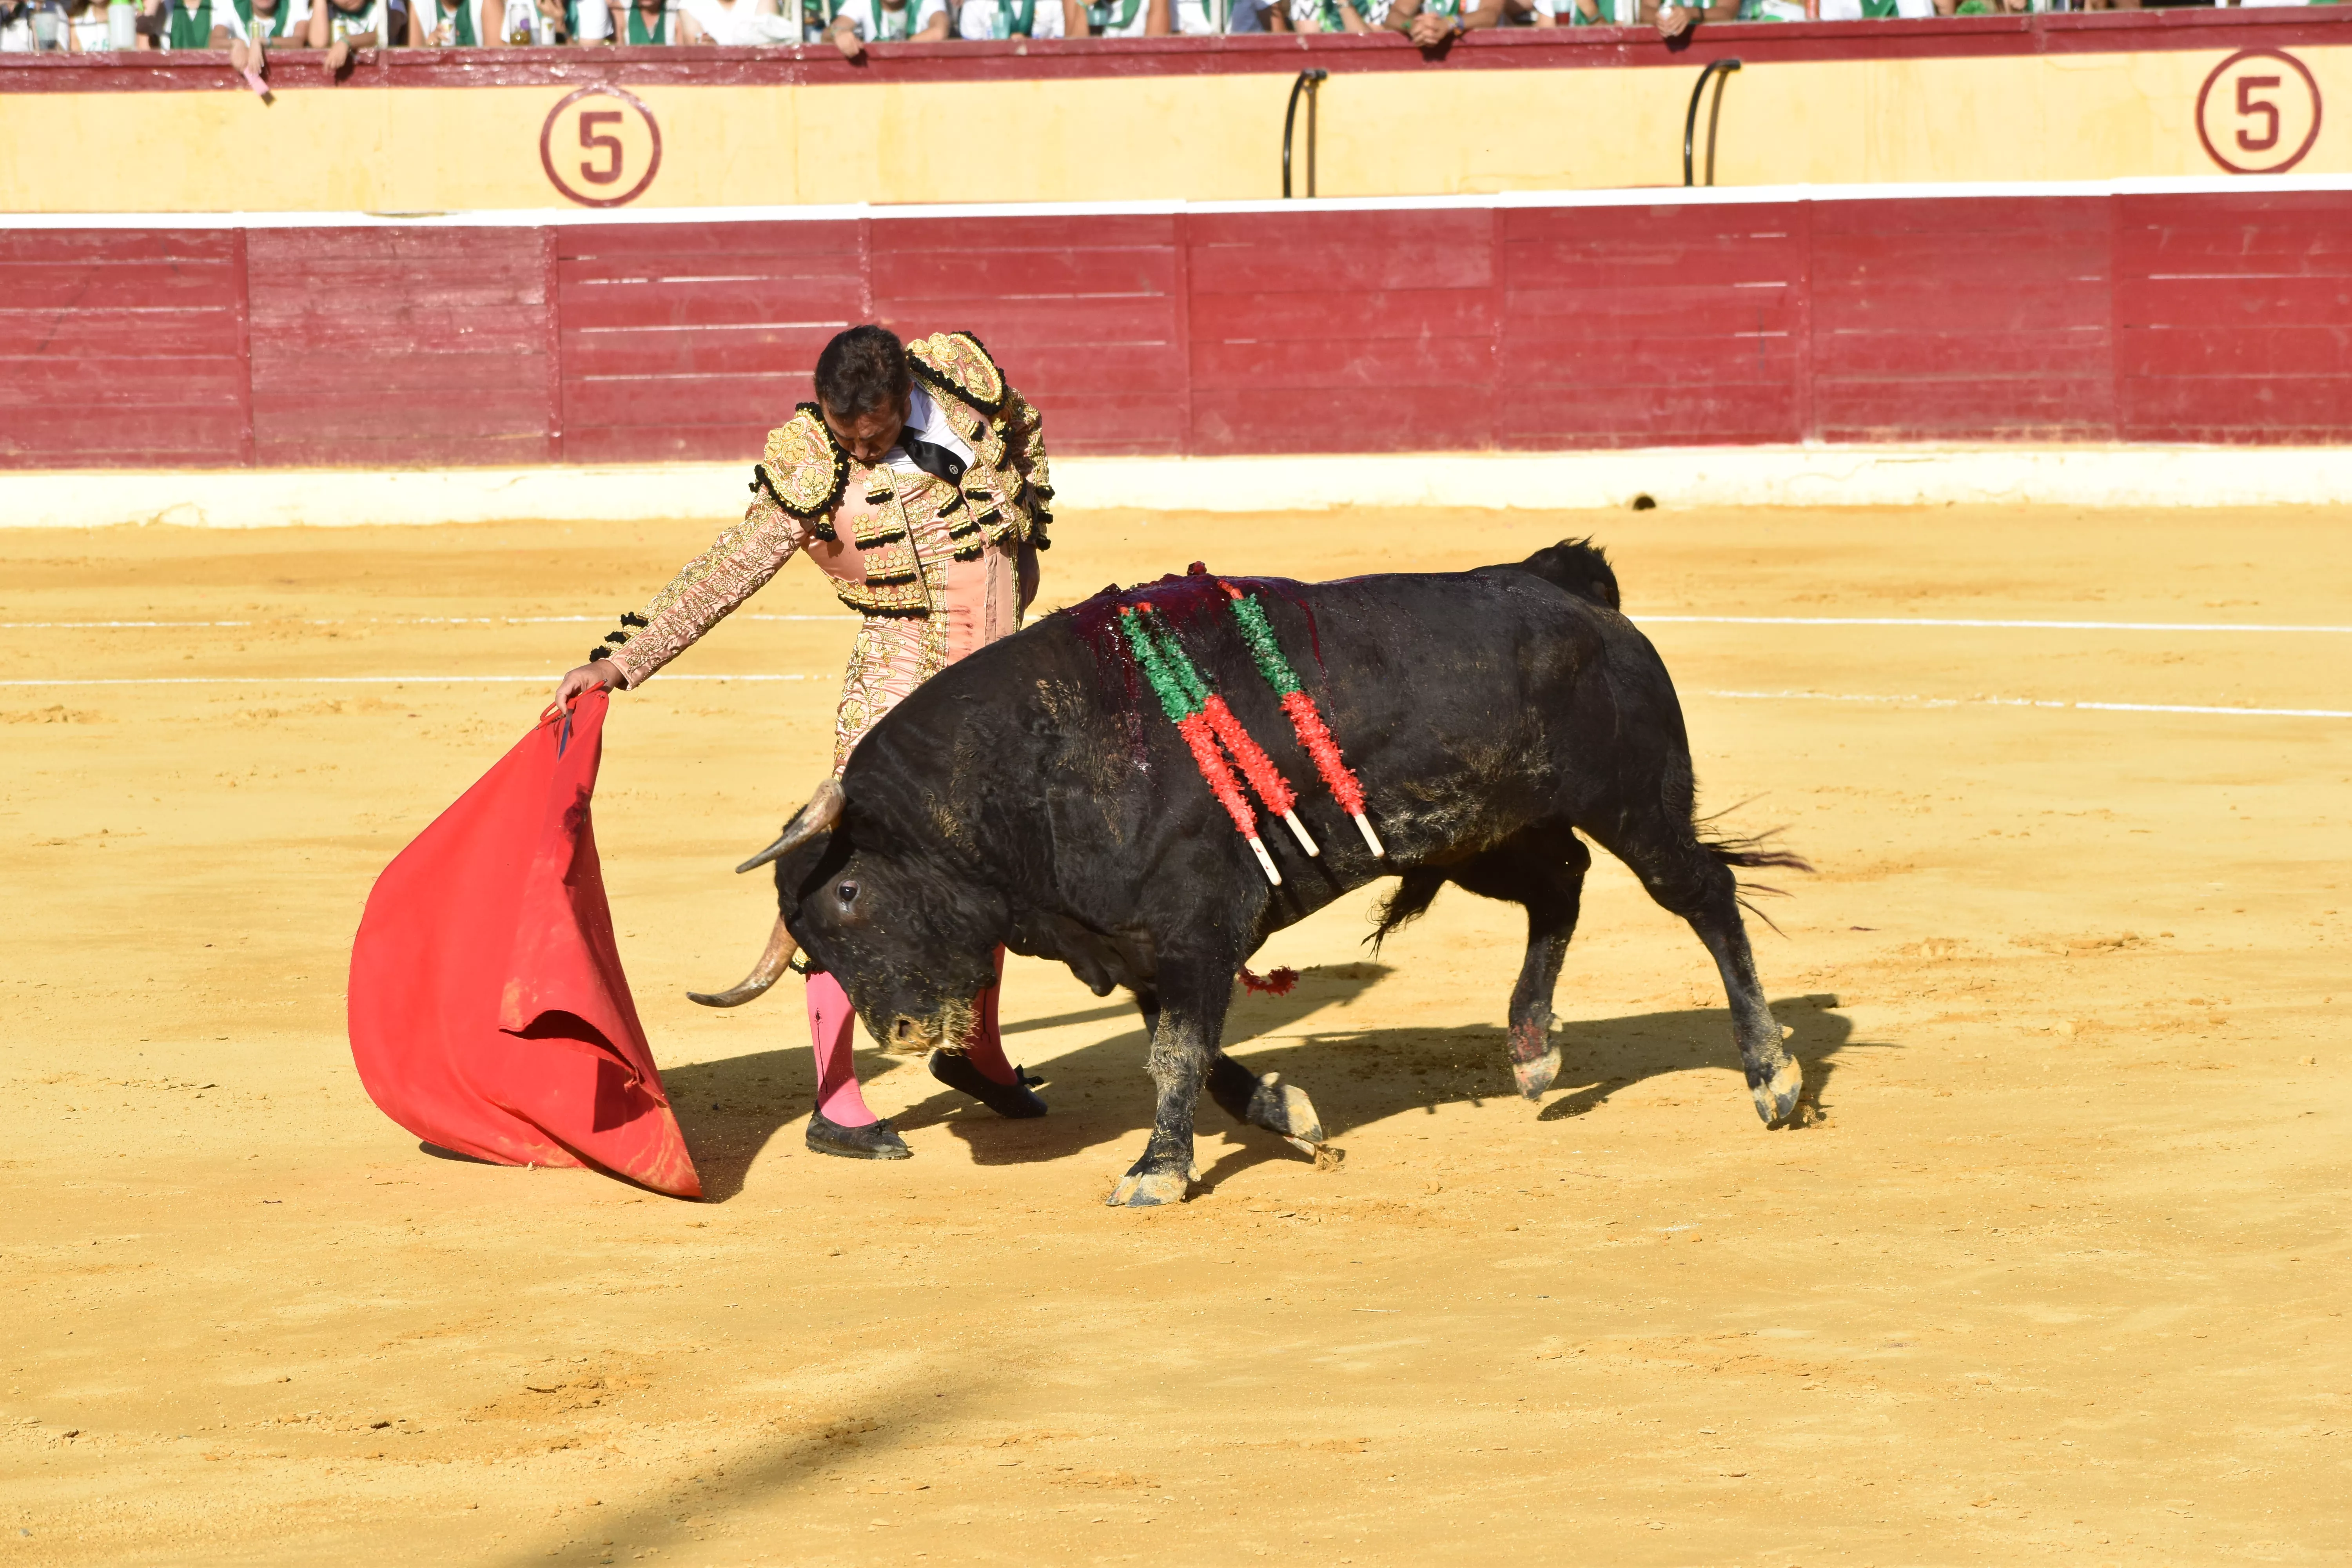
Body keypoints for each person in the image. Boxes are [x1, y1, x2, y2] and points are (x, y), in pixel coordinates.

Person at [550, 327, 1056, 1161]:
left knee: (989, 860)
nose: (862, 447)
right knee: (852, 875)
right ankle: (836, 1096)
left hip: (995, 678)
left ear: (907, 393)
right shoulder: (811, 464)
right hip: (900, 671)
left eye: (880, 431)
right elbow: (734, 564)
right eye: (847, 431)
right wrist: (622, 660)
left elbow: (1027, 437)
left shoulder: (966, 381)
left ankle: (975, 1049)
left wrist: (1030, 535)